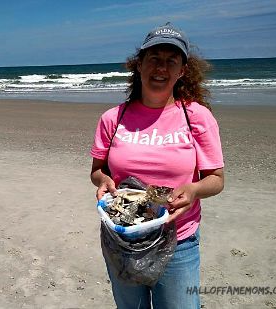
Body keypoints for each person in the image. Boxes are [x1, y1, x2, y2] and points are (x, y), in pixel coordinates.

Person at [89, 23, 225, 309]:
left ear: (182, 71)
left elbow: (216, 179)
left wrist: (194, 189)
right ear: (139, 65)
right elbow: (98, 171)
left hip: (179, 239)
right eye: (154, 59)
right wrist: (103, 181)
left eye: (170, 61)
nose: (161, 67)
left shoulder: (197, 117)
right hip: (122, 237)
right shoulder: (112, 119)